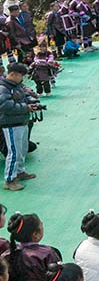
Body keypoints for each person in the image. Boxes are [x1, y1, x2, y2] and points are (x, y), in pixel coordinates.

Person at [0, 62, 41, 190]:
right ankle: (9, 179)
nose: (22, 78)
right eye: (21, 75)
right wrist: (26, 108)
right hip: (11, 124)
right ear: (13, 74)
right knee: (14, 152)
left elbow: (25, 97)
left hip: (22, 121)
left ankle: (20, 171)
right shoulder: (3, 88)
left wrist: (33, 103)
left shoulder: (16, 85)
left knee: (22, 149)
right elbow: (6, 106)